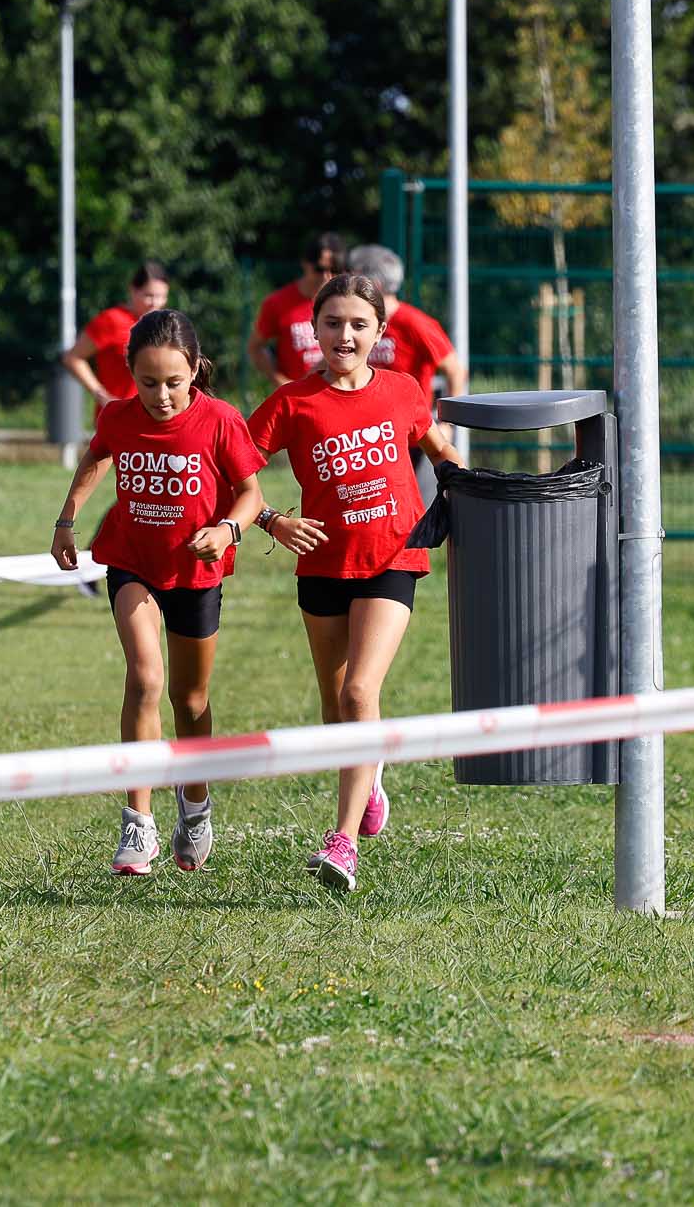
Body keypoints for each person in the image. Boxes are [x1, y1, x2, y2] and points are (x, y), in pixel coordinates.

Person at [246, 272, 464, 893]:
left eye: (358, 324)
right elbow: (233, 469)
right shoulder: (292, 402)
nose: (345, 334)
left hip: (393, 556)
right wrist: (272, 519)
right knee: (333, 699)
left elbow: (438, 448)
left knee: (359, 693)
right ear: (313, 330)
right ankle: (371, 776)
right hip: (320, 564)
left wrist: (468, 483)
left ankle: (341, 843)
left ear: (379, 332)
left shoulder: (401, 390)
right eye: (333, 323)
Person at [50, 309, 265, 875]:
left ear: (195, 369)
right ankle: (137, 824)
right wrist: (67, 518)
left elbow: (251, 494)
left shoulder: (219, 420)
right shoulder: (119, 417)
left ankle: (195, 806)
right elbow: (97, 455)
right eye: (148, 383)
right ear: (129, 373)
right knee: (146, 678)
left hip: (196, 574)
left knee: (190, 699)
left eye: (173, 382)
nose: (162, 395)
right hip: (132, 564)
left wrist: (227, 530)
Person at [345, 244, 469, 505]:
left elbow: (455, 370)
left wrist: (448, 423)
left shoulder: (415, 324)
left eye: (354, 276)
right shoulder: (357, 322)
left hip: (409, 435)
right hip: (368, 431)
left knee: (408, 506)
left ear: (373, 283)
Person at [58, 261, 172, 406]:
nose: (155, 303)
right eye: (149, 295)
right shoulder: (112, 320)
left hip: (154, 414)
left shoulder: (164, 323)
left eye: (161, 296)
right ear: (133, 290)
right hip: (118, 416)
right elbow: (73, 358)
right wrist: (101, 395)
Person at [248, 232, 346, 389]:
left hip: (337, 391)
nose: (327, 277)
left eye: (334, 270)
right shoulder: (278, 302)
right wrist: (279, 380)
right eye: (320, 269)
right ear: (305, 263)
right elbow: (255, 347)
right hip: (296, 395)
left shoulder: (348, 303)